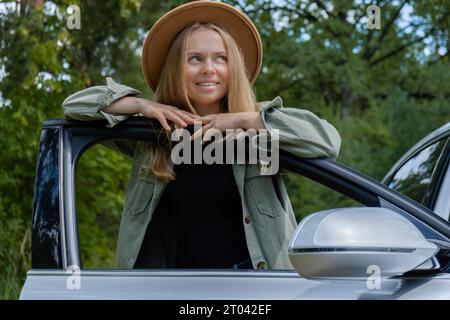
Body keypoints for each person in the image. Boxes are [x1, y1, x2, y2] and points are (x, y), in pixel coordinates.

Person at [62, 0, 341, 271]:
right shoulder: (151, 133)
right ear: (176, 68)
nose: (209, 68)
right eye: (195, 58)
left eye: (221, 58)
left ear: (233, 69)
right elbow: (74, 107)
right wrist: (141, 104)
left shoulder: (257, 127)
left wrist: (242, 118)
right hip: (169, 288)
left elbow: (327, 140)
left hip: (254, 284)